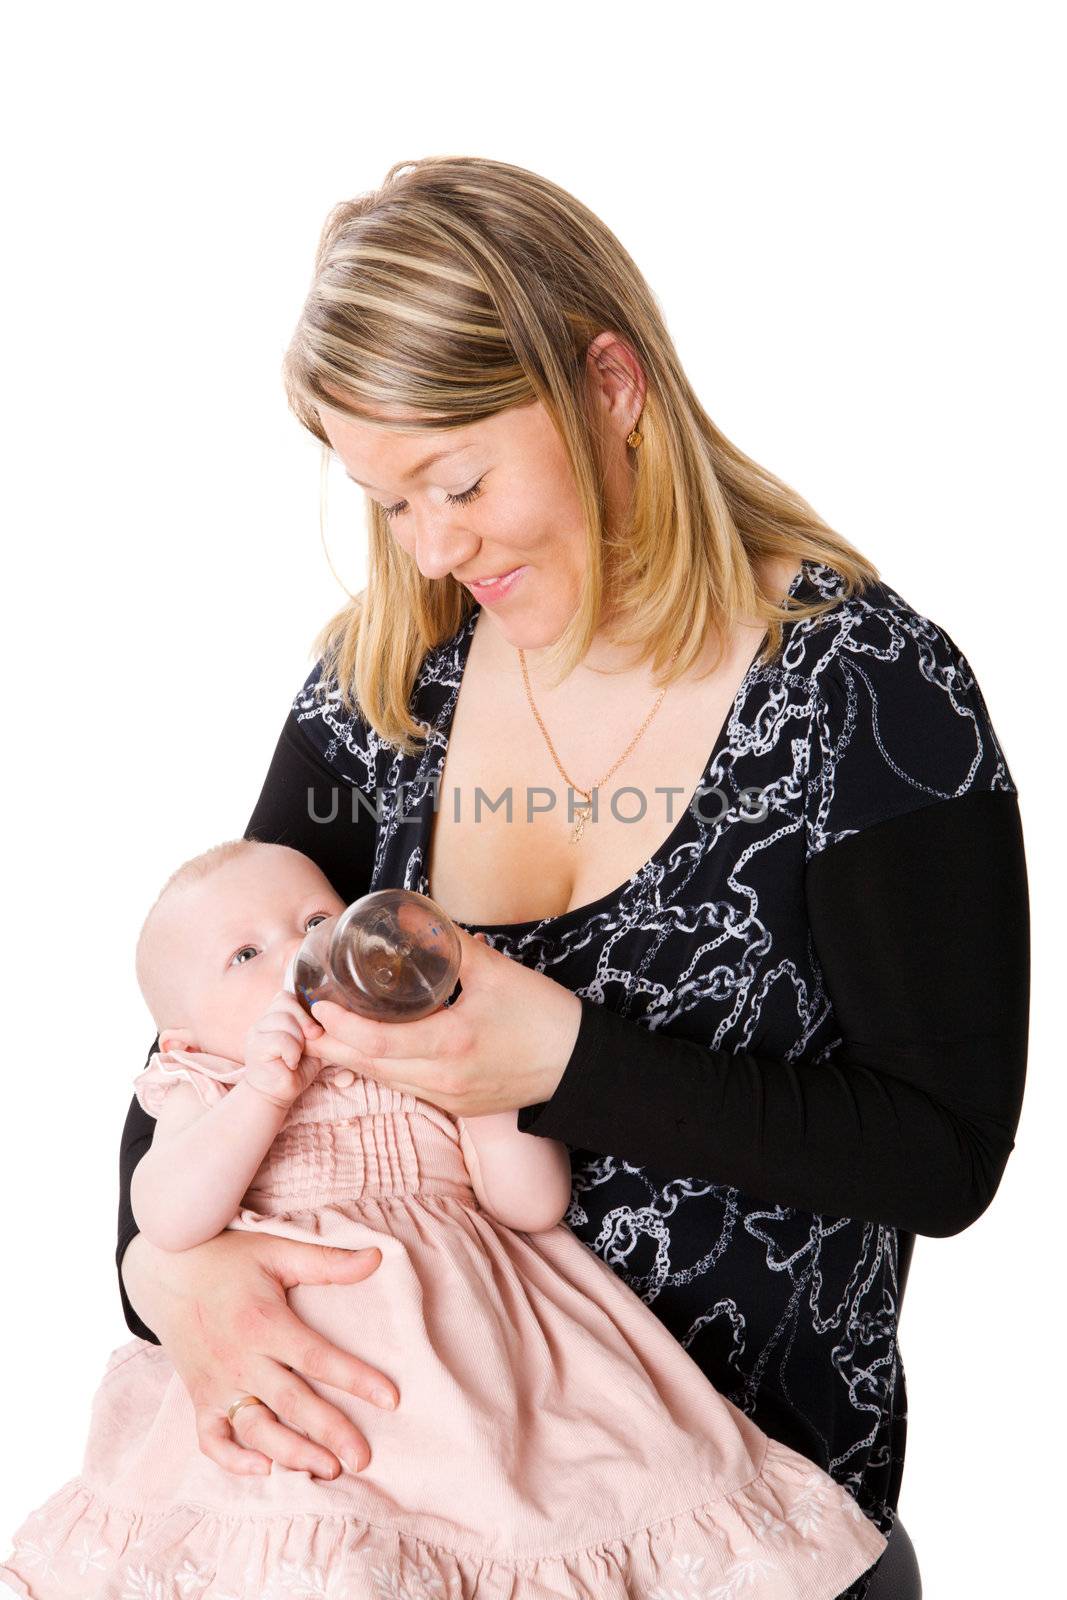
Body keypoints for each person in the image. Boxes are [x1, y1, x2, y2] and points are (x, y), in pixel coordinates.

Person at [103, 155, 1023, 1600]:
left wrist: (560, 1058)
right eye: (387, 500)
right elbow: (201, 1027)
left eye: (458, 481)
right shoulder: (382, 687)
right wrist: (170, 1276)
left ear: (608, 384)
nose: (433, 546)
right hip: (397, 1531)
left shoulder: (863, 697)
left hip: (741, 1530)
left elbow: (940, 1153)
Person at [0, 837, 892, 1598]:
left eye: (317, 924)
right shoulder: (209, 1086)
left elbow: (530, 1203)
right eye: (245, 957)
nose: (298, 958)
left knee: (532, 1514)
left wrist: (485, 1087)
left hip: (483, 1363)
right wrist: (263, 1094)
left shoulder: (415, 1053)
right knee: (315, 1524)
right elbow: (167, 1213)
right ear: (183, 1039)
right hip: (313, 1380)